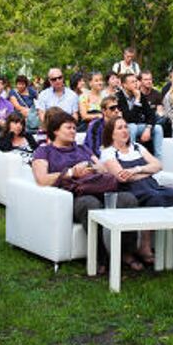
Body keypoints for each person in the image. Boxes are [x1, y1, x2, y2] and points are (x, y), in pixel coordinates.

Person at [31, 110, 140, 273]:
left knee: (128, 200)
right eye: (68, 127)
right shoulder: (44, 151)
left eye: (75, 128)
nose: (73, 131)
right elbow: (41, 179)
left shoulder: (83, 149)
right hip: (74, 197)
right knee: (90, 204)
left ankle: (126, 252)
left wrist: (91, 167)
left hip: (99, 188)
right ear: (55, 131)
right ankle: (100, 256)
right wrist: (70, 173)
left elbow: (103, 169)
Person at [100, 117, 173, 266]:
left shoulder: (137, 147)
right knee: (155, 199)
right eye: (119, 128)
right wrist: (148, 171)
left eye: (126, 127)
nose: (125, 131)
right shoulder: (108, 153)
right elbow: (122, 177)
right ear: (111, 134)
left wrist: (137, 169)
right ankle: (144, 247)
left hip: (152, 185)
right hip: (131, 190)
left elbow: (158, 165)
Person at [116, 73, 163, 159]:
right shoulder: (119, 97)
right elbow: (128, 119)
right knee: (132, 127)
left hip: (139, 125)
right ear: (124, 85)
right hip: (125, 126)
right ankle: (131, 158)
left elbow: (151, 114)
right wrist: (137, 100)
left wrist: (148, 128)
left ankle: (158, 161)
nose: (136, 84)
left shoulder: (139, 94)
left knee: (158, 128)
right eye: (132, 82)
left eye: (136, 81)